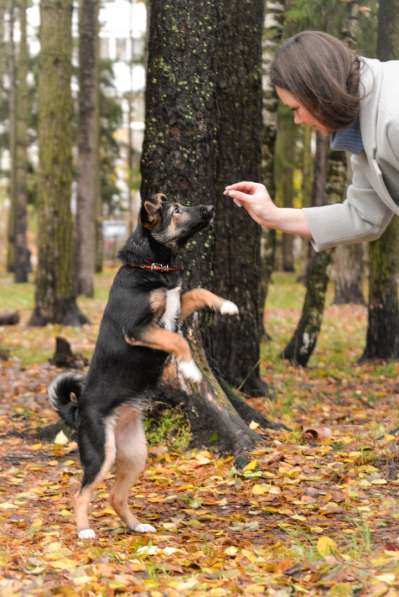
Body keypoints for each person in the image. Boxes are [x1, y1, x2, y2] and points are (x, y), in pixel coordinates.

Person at [224, 31, 399, 252]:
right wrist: (272, 215)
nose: (297, 120)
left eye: (296, 109)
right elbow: (363, 216)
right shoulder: (365, 126)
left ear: (317, 90)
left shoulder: (393, 115)